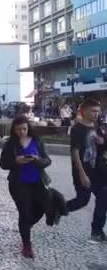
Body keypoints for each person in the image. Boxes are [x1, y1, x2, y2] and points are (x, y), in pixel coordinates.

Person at [0, 116, 52, 258]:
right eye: (18, 129)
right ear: (14, 129)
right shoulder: (10, 144)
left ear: (28, 128)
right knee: (24, 212)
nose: (22, 131)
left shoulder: (37, 141)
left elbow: (48, 160)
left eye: (24, 128)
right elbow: (3, 164)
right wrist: (16, 161)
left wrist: (37, 160)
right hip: (19, 184)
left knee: (43, 207)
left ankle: (26, 227)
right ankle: (27, 245)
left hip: (37, 182)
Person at [66, 98, 107, 242]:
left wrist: (103, 142)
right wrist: (82, 174)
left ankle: (97, 231)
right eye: (93, 111)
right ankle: (58, 208)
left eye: (98, 111)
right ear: (84, 111)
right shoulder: (77, 129)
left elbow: (102, 145)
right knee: (82, 200)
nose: (96, 114)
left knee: (104, 198)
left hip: (100, 171)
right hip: (84, 171)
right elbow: (75, 152)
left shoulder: (98, 126)